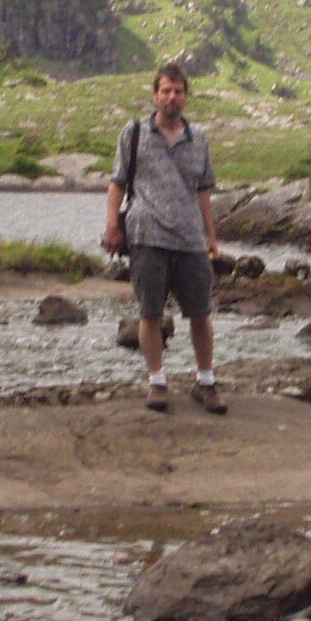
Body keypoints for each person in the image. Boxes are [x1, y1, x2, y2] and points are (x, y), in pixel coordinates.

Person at [102, 62, 225, 414]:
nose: (172, 97)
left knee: (200, 313)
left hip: (190, 239)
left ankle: (206, 382)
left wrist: (211, 236)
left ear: (186, 97)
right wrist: (113, 226)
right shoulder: (134, 133)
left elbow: (203, 189)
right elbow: (117, 183)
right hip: (147, 234)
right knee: (150, 312)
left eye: (178, 91)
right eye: (166, 91)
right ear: (155, 95)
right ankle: (157, 382)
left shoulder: (198, 138)